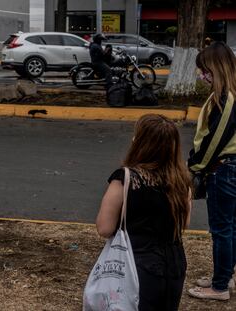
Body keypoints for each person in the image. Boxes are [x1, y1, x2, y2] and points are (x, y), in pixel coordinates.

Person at [96, 114, 192, 310]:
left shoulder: (126, 178)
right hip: (173, 262)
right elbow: (184, 224)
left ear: (141, 142)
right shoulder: (182, 181)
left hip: (135, 262)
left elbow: (104, 228)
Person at [187, 41, 236, 301]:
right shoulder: (228, 93)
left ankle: (219, 287)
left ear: (215, 68)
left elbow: (214, 140)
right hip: (229, 168)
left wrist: (194, 167)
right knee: (231, 227)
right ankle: (225, 276)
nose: (202, 75)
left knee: (222, 230)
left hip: (224, 170)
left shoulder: (226, 97)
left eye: (204, 70)